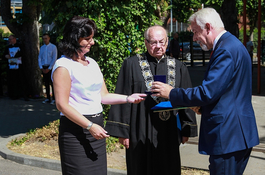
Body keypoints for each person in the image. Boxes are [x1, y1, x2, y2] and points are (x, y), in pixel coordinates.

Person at [151, 8, 259, 175]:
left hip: (228, 136)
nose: (194, 38)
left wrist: (171, 93)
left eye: (195, 32)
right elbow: (228, 92)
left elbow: (207, 92)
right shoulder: (233, 44)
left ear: (208, 27)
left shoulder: (224, 50)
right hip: (237, 134)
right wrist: (202, 107)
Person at [51, 16, 146, 175]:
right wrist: (89, 126)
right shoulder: (63, 66)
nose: (92, 42)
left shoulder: (92, 63)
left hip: (96, 127)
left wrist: (128, 98)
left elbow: (103, 96)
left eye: (92, 38)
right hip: (76, 130)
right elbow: (62, 105)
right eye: (87, 39)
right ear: (74, 38)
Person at [105, 25, 197, 175]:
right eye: (153, 42)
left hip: (169, 130)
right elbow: (123, 95)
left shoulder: (179, 67)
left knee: (168, 167)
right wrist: (122, 131)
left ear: (167, 41)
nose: (158, 46)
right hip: (139, 128)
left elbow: (186, 98)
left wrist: (187, 127)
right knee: (140, 167)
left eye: (161, 42)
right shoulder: (131, 64)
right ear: (146, 43)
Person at [4, 35, 28, 100]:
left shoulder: (19, 46)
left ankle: (22, 94)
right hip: (11, 66)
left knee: (20, 79)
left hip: (19, 66)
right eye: (9, 39)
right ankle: (12, 95)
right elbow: (5, 55)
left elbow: (22, 54)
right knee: (12, 80)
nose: (10, 41)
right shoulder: (8, 47)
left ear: (14, 39)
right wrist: (7, 56)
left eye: (10, 39)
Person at [38, 33, 57, 104]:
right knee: (46, 83)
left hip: (50, 67)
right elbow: (39, 58)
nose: (45, 40)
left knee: (52, 83)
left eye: (46, 38)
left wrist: (49, 68)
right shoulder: (42, 47)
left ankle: (54, 98)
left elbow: (54, 58)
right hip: (44, 66)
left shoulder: (53, 47)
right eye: (43, 38)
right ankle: (48, 98)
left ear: (49, 38)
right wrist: (41, 67)